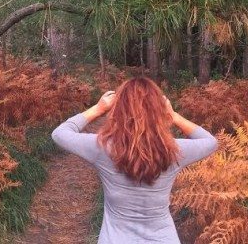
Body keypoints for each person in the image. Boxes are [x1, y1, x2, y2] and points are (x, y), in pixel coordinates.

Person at [51, 76, 218, 243]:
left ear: (118, 110)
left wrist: (98, 108)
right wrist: (173, 116)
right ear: (159, 111)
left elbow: (60, 134)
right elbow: (211, 142)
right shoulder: (174, 150)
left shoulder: (102, 147)